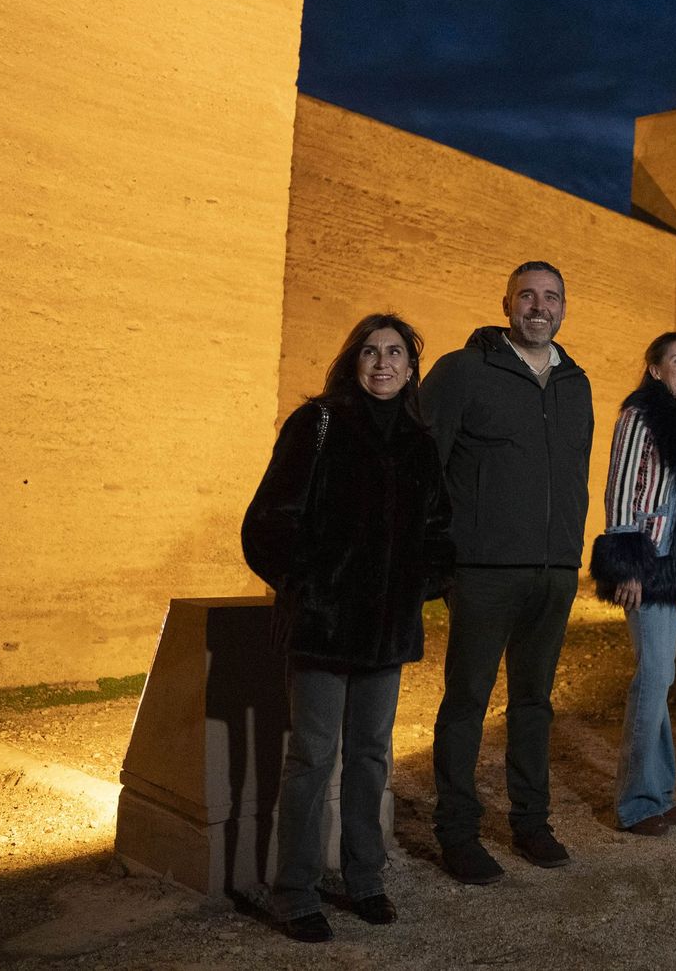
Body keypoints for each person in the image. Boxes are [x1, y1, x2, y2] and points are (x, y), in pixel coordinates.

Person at [242, 313, 454, 943]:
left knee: (370, 756)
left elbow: (440, 531)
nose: (383, 363)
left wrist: (419, 586)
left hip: (386, 631)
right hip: (324, 628)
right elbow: (266, 524)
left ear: (412, 367)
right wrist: (310, 586)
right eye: (370, 352)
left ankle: (365, 879)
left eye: (395, 353)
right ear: (352, 361)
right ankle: (296, 891)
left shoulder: (419, 441)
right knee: (312, 756)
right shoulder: (320, 424)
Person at [419, 261, 593, 883]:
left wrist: (571, 554)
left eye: (551, 296)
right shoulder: (464, 371)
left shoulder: (577, 382)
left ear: (564, 308)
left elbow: (574, 472)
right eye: (528, 296)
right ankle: (458, 832)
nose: (539, 307)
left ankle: (530, 821)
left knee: (534, 703)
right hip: (485, 570)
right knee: (467, 701)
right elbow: (423, 467)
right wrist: (440, 562)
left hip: (553, 572)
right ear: (507, 304)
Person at [589, 332, 676, 837]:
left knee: (662, 676)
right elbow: (621, 489)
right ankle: (636, 802)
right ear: (654, 369)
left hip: (675, 567)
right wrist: (627, 564)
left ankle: (658, 790)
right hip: (647, 566)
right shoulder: (641, 416)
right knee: (652, 677)